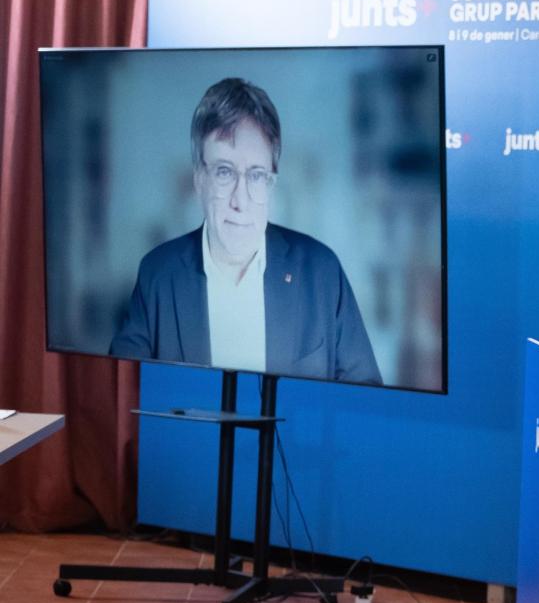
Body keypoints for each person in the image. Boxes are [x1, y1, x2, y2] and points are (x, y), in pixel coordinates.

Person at [111, 78, 381, 383]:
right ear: (199, 180)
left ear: (271, 184)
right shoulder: (157, 274)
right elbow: (124, 391)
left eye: (255, 176)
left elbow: (365, 399)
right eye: (225, 172)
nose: (240, 201)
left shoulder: (322, 272)